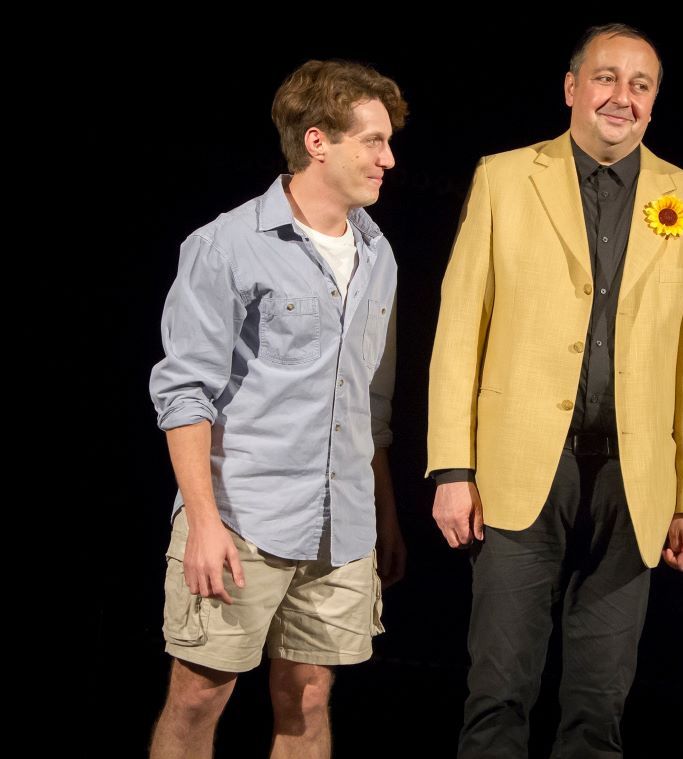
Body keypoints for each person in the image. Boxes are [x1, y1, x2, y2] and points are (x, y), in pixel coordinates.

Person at [427, 23, 683, 757]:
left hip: (634, 481)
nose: (622, 96)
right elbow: (460, 328)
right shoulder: (504, 178)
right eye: (605, 78)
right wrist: (452, 467)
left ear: (654, 102)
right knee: (498, 692)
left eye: (640, 85)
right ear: (571, 88)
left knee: (599, 707)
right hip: (518, 467)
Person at [147, 59, 407, 759]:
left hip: (342, 526)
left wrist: (382, 510)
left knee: (309, 696)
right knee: (199, 695)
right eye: (373, 141)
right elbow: (184, 393)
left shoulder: (378, 254)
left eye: (387, 142)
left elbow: (368, 403)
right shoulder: (227, 245)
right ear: (317, 140)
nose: (388, 159)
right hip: (243, 519)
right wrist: (203, 522)